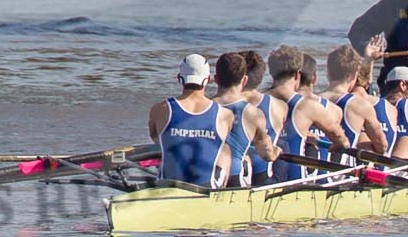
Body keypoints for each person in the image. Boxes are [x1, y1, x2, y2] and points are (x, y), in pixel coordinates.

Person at [264, 45, 369, 184]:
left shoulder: (257, 101)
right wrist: (336, 144)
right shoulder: (308, 106)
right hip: (295, 184)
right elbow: (340, 138)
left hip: (263, 180)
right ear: (297, 75)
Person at [149, 55, 238, 188]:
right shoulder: (225, 115)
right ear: (208, 80)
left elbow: (156, 139)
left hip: (167, 189)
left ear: (179, 78)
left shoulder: (160, 109)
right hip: (205, 189)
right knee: (226, 149)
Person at [209, 50, 281, 187]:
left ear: (216, 79)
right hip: (235, 177)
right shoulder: (253, 113)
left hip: (208, 175)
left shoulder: (204, 108)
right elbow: (267, 154)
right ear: (244, 80)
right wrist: (276, 152)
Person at [321, 44, 388, 158]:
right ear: (354, 76)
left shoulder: (309, 101)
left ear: (328, 73)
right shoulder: (360, 105)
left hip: (317, 170)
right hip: (344, 174)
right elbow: (382, 145)